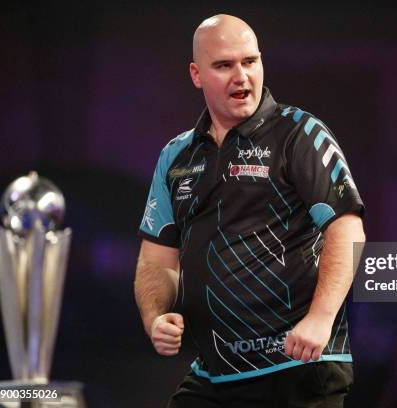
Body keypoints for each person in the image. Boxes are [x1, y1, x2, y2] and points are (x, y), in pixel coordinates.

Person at [134, 14, 365, 408]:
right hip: (214, 374)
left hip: (297, 367)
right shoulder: (176, 156)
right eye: (224, 65)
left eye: (250, 61)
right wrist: (155, 317)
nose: (241, 76)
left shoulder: (300, 133)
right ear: (196, 74)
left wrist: (321, 318)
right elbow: (157, 261)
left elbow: (348, 228)